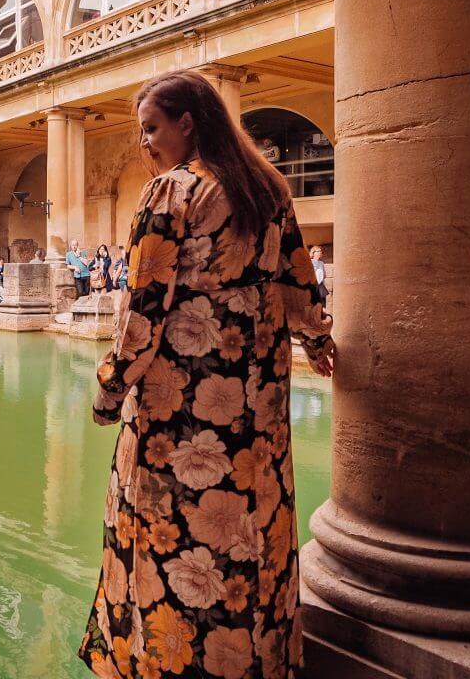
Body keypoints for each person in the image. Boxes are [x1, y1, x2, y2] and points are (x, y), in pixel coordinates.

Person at [78, 70, 334, 679]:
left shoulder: (174, 191)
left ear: (187, 123)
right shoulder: (269, 187)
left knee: (175, 541)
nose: (145, 143)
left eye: (151, 128)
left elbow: (144, 304)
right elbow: (299, 278)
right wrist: (317, 339)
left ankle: (170, 666)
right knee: (252, 528)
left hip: (183, 407)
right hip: (258, 402)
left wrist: (112, 387)